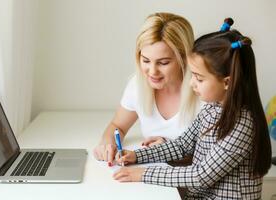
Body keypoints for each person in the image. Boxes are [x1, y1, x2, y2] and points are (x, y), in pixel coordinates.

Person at [113, 18, 272, 199]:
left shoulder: (242, 125)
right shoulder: (212, 108)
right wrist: (137, 156)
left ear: (227, 82)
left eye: (199, 78)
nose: (191, 83)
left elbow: (201, 175)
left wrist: (143, 174)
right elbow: (182, 145)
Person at [93, 13, 200, 165]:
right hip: (151, 178)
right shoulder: (138, 85)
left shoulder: (204, 92)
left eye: (163, 63)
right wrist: (107, 144)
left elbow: (219, 153)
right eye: (146, 60)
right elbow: (118, 126)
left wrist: (167, 149)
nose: (152, 71)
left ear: (184, 58)